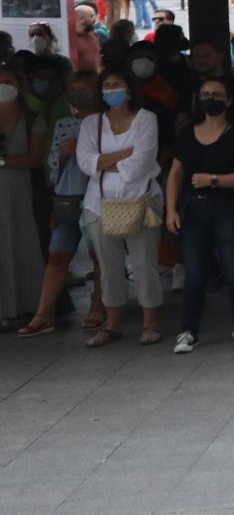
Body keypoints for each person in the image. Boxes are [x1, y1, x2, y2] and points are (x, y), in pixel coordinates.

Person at [164, 73, 234, 353]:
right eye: (205, 94)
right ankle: (188, 330)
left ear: (229, 101)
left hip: (231, 209)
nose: (210, 99)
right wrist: (171, 210)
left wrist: (214, 180)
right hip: (194, 210)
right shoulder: (187, 132)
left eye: (217, 95)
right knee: (194, 273)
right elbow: (175, 174)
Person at [77, 67, 165, 347]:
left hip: (141, 200)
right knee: (109, 267)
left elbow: (141, 164)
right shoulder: (92, 124)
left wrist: (104, 162)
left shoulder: (146, 119)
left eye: (117, 84)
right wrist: (123, 155)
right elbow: (85, 162)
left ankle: (150, 322)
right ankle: (112, 324)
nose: (112, 89)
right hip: (98, 205)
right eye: (107, 85)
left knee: (143, 264)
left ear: (129, 90)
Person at [19, 71, 104, 336]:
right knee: (58, 254)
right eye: (74, 88)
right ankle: (44, 314)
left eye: (84, 88)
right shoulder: (64, 123)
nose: (77, 93)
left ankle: (98, 305)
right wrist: (65, 155)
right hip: (68, 197)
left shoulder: (107, 123)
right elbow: (53, 167)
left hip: (98, 196)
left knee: (99, 255)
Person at [0, 63, 45, 328]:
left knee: (21, 242)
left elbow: (34, 158)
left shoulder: (31, 118)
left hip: (20, 191)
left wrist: (5, 162)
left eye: (9, 81)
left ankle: (27, 304)